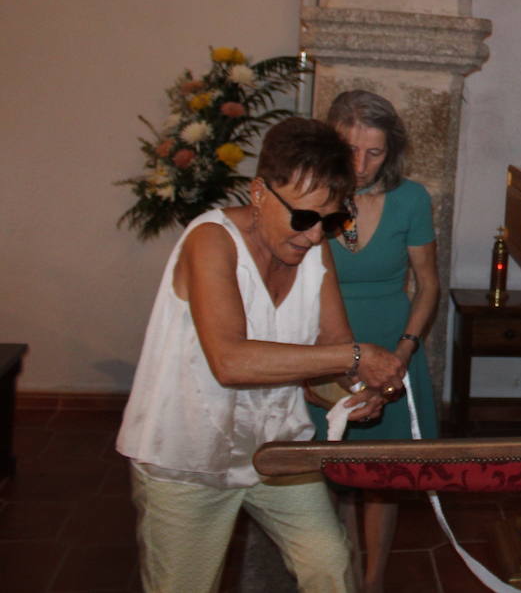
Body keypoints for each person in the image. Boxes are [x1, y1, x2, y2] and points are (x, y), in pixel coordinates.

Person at [117, 117, 408, 593]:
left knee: (330, 566)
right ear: (259, 193)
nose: (316, 236)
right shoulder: (210, 241)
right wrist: (356, 358)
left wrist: (356, 392)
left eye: (331, 220)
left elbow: (328, 359)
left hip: (275, 449)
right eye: (304, 218)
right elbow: (230, 361)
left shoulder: (315, 249)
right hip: (189, 454)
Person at [306, 90, 440, 593]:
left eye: (374, 152)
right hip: (323, 343)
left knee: (381, 474)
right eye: (349, 149)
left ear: (393, 150)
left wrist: (402, 356)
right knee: (330, 465)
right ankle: (339, 574)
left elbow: (428, 285)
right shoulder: (310, 194)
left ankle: (374, 580)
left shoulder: (412, 199)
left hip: (391, 341)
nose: (359, 164)